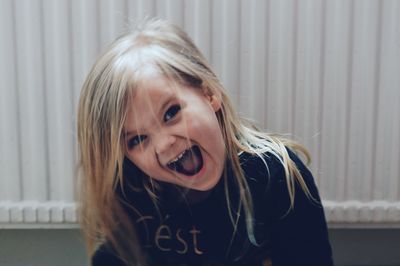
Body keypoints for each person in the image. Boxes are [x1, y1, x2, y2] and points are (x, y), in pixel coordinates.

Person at [77, 19, 333, 266]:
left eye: (171, 113)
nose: (164, 144)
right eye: (138, 139)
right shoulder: (130, 191)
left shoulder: (277, 177)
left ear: (209, 93)